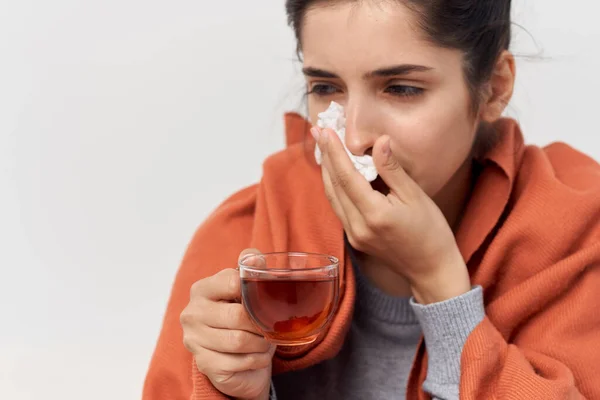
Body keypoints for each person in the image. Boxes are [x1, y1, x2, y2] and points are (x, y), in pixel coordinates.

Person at [142, 0, 600, 399]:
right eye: (325, 88)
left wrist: (439, 281)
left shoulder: (577, 233)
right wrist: (242, 392)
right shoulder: (244, 242)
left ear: (494, 87)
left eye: (401, 89)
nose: (355, 138)